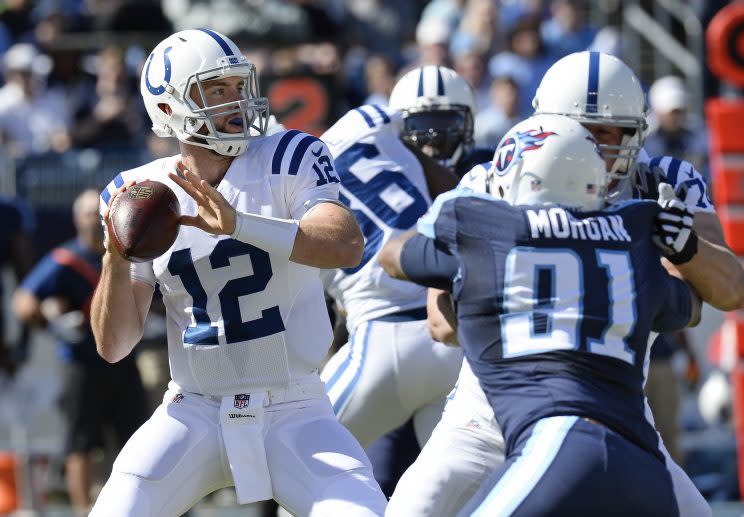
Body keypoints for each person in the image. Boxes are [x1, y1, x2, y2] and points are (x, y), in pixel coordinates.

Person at [387, 50, 742, 517]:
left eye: (608, 134)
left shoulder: (661, 185)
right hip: (487, 416)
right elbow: (442, 323)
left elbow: (727, 290)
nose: (592, 148)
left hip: (617, 409)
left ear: (636, 133)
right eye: (579, 131)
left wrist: (685, 245)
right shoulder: (495, 180)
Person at [88, 29, 386, 516]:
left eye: (237, 85)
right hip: (194, 408)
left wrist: (240, 225)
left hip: (295, 407)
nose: (236, 100)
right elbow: (115, 345)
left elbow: (346, 244)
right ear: (168, 110)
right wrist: (115, 259)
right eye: (216, 90)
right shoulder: (137, 193)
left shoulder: (290, 155)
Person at [319, 65, 477, 490]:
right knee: (451, 494)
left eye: (446, 128)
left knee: (293, 460)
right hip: (454, 343)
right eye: (422, 132)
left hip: (381, 341)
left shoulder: (358, 135)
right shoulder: (475, 178)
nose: (434, 143)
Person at [12, 189, 149, 516]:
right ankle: (82, 509)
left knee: (137, 439)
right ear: (76, 218)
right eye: (88, 213)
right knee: (81, 442)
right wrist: (50, 319)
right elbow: (24, 301)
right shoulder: (65, 259)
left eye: (98, 213)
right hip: (82, 365)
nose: (94, 220)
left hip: (124, 360)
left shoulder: (128, 254)